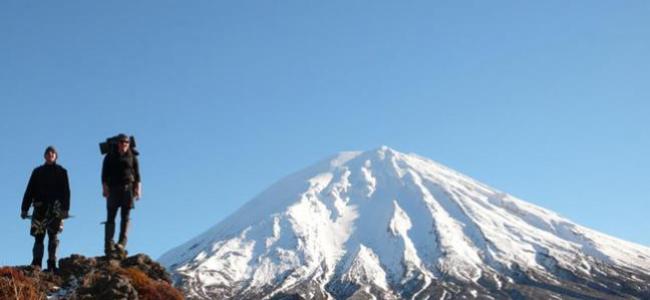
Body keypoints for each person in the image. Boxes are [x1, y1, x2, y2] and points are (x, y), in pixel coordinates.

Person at [21, 146, 71, 271]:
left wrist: (65, 209)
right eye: (48, 153)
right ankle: (37, 263)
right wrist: (24, 208)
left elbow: (66, 192)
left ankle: (52, 263)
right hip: (39, 207)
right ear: (45, 156)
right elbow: (29, 190)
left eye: (53, 153)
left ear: (56, 156)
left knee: (53, 236)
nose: (50, 154)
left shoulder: (62, 171)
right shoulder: (37, 172)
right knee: (39, 236)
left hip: (56, 209)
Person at [102, 133, 141, 257]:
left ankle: (121, 243)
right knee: (111, 216)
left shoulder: (132, 157)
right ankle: (109, 244)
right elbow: (104, 174)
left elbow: (138, 175)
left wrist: (138, 189)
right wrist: (105, 188)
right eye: (122, 142)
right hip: (113, 189)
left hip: (127, 189)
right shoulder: (110, 156)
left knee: (125, 216)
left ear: (129, 144)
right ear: (117, 143)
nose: (124, 144)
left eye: (126, 142)